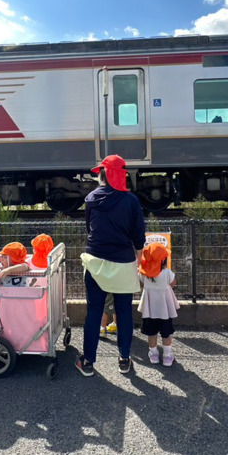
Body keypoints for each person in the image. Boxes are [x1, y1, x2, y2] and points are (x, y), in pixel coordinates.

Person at [76, 155, 145, 377]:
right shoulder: (131, 201)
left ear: (103, 174)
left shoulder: (91, 199)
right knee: (124, 313)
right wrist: (138, 259)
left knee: (94, 312)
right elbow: (139, 237)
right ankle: (124, 359)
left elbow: (89, 229)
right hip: (123, 263)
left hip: (96, 262)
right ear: (122, 175)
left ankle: (87, 361)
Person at [138, 243, 179, 366]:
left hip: (150, 309)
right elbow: (173, 283)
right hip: (165, 309)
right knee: (166, 333)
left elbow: (141, 285)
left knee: (152, 333)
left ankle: (154, 355)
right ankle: (167, 356)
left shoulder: (143, 273)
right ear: (164, 259)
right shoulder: (167, 273)